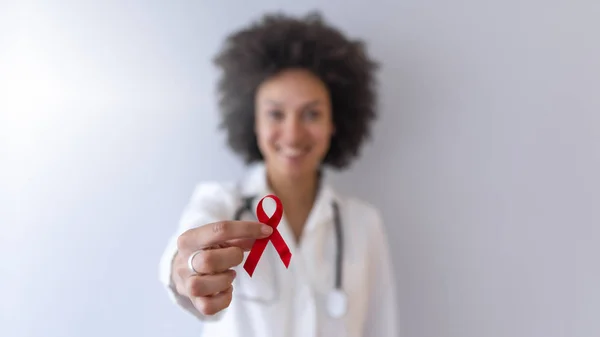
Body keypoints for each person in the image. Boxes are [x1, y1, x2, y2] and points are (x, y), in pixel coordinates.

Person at [158, 10, 399, 337]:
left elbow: (381, 329)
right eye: (275, 114)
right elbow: (185, 250)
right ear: (253, 122)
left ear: (334, 122)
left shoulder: (364, 224)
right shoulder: (220, 203)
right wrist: (186, 271)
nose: (293, 134)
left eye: (311, 114)